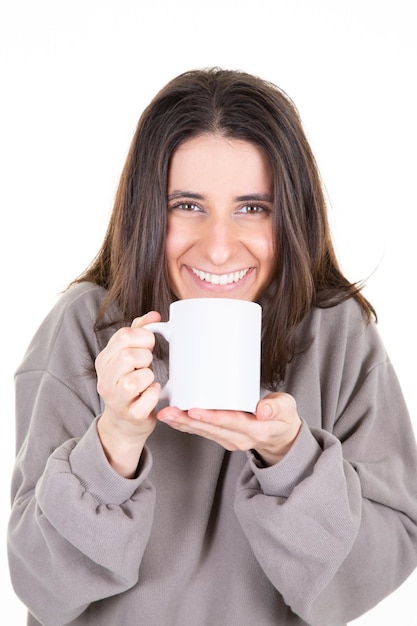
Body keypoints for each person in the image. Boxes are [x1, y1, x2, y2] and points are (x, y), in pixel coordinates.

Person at [7, 67, 417, 626]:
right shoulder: (85, 326)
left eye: (253, 208)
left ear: (291, 215)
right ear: (148, 212)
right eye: (188, 206)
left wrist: (290, 458)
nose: (220, 250)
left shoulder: (339, 332)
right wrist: (114, 444)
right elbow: (40, 587)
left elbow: (382, 563)